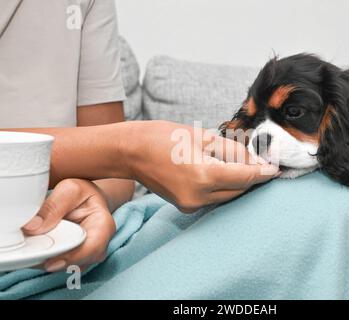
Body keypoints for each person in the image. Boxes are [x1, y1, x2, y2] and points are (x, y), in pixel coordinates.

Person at [0, 0, 277, 272]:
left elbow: (114, 179)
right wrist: (129, 148)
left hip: (63, 247)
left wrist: (93, 196)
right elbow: (116, 149)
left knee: (303, 206)